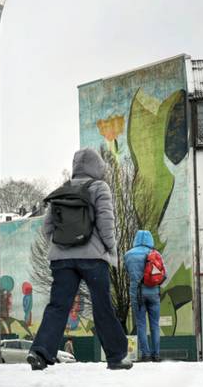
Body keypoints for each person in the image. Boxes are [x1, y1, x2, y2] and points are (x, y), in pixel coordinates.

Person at [28, 148, 131, 370]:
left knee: (58, 306)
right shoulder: (99, 187)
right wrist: (111, 249)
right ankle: (116, 357)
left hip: (61, 260)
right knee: (102, 305)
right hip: (93, 258)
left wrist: (61, 248)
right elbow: (106, 223)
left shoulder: (62, 190)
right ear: (97, 167)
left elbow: (47, 228)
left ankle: (40, 352)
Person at [124, 229, 166, 362]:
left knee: (141, 324)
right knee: (155, 324)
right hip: (154, 293)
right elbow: (164, 275)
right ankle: (156, 354)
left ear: (136, 239)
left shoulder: (128, 255)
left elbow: (128, 273)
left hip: (137, 294)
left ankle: (145, 354)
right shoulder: (156, 254)